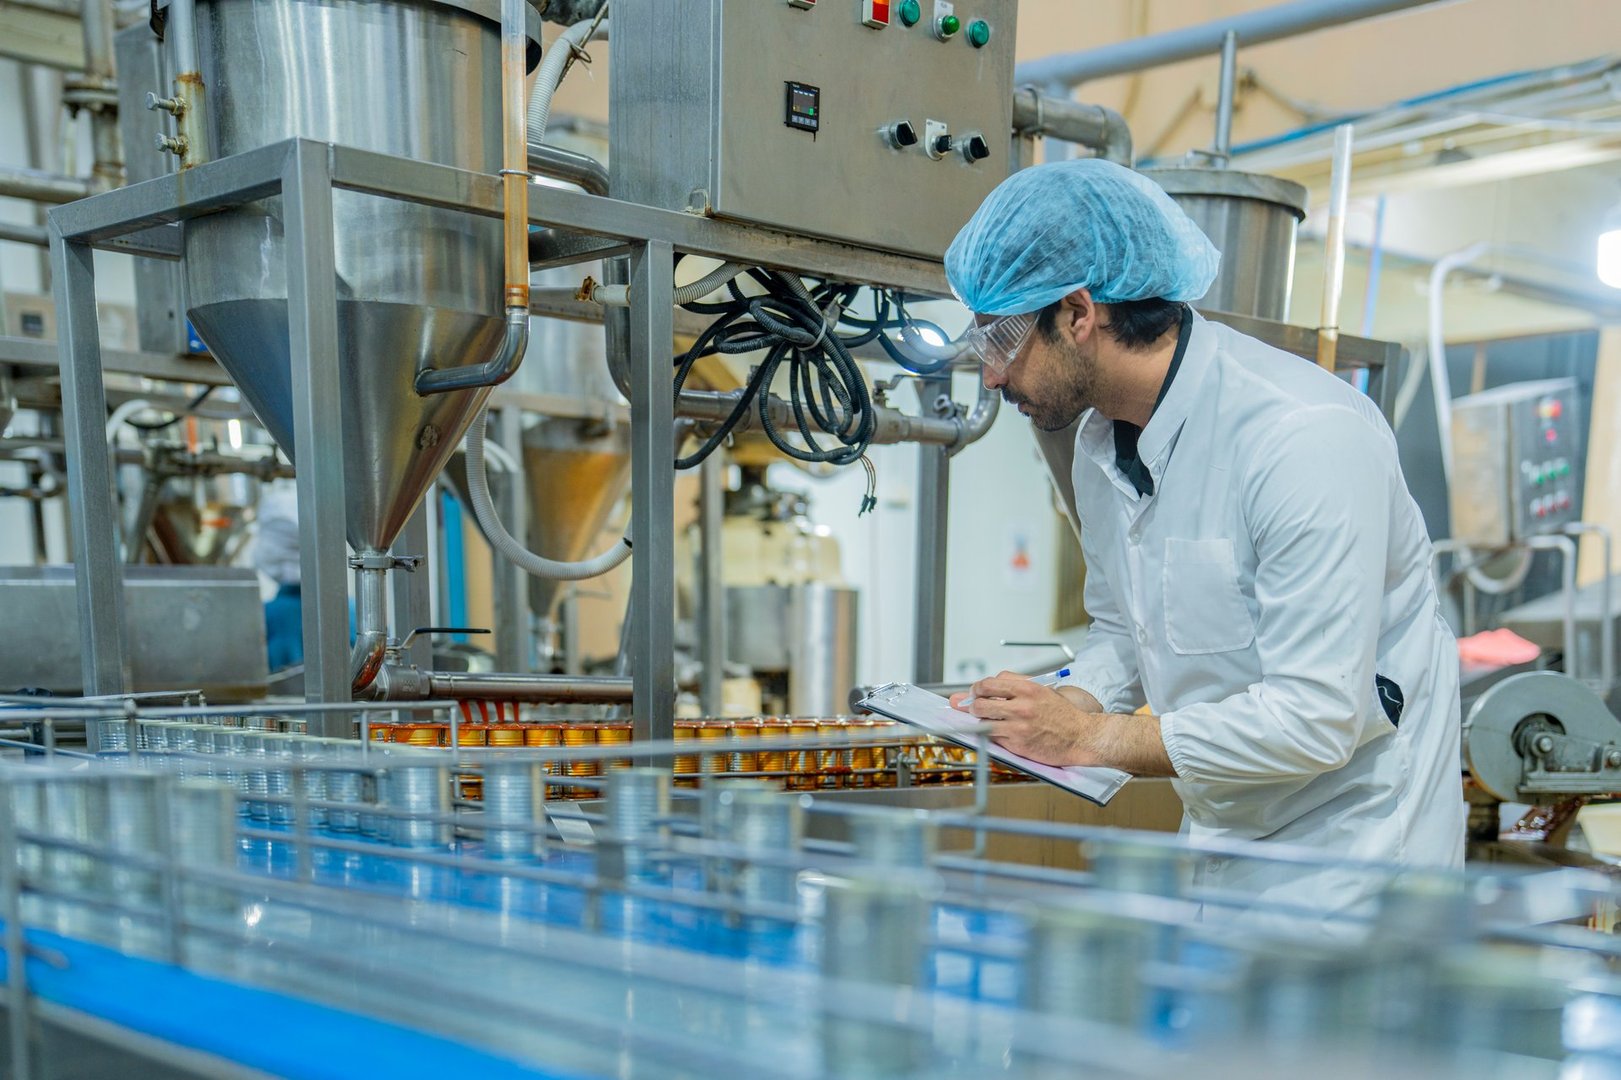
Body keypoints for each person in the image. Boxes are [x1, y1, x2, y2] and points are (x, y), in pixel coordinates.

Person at [943, 159, 1464, 918]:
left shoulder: (1300, 437)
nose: (989, 376)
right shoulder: (1100, 445)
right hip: (1227, 826)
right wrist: (1063, 701)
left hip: (1355, 856)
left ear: (1079, 314)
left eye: (1002, 339)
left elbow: (1315, 719)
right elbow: (1125, 624)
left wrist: (1091, 737)